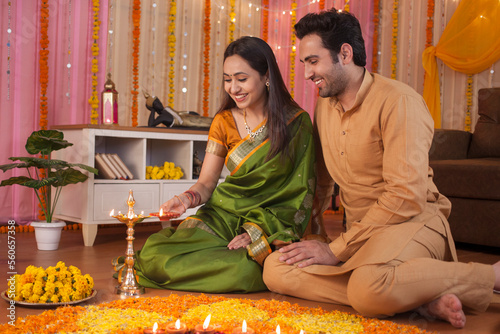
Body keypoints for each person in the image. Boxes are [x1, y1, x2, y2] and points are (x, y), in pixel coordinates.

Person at [263, 8, 500, 328]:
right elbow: (320, 180)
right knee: (276, 268)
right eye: (305, 63)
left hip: (413, 224)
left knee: (367, 289)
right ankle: (422, 298)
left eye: (313, 61)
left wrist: (335, 251)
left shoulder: (398, 101)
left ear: (344, 53)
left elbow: (406, 197)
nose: (306, 73)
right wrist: (311, 236)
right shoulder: (325, 105)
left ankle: (491, 276)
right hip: (363, 235)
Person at [117, 36, 317, 293]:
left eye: (241, 79)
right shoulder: (223, 121)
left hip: (268, 224)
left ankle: (246, 258)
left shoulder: (297, 123)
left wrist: (258, 233)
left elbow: (299, 195)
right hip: (223, 215)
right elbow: (207, 183)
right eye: (227, 79)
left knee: (243, 270)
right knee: (154, 255)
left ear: (266, 76)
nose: (233, 88)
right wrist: (186, 199)